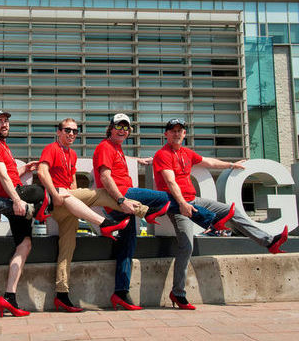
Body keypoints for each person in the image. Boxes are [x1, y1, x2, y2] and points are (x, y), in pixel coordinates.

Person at [36, 118, 171, 312]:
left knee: (67, 249)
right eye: (67, 130)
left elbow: (72, 180)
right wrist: (55, 194)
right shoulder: (52, 148)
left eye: (75, 131)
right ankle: (144, 212)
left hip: (70, 203)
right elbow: (42, 171)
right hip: (58, 199)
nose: (71, 134)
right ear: (58, 132)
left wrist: (76, 202)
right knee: (103, 192)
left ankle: (62, 295)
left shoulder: (72, 154)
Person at [153, 118, 289, 310]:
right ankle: (178, 292)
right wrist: (182, 204)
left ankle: (268, 241)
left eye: (180, 130)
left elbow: (208, 162)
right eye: (172, 130)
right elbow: (170, 182)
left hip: (194, 200)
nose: (176, 133)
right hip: (177, 204)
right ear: (166, 134)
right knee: (187, 247)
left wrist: (231, 165)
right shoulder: (162, 154)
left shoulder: (186, 153)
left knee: (229, 211)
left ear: (184, 134)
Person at [92, 113, 223, 311]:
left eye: (126, 128)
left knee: (127, 248)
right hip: (121, 195)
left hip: (125, 202)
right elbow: (104, 175)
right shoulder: (104, 146)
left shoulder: (115, 148)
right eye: (119, 126)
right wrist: (121, 199)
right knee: (166, 197)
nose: (123, 131)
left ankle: (121, 293)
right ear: (110, 128)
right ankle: (209, 219)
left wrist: (137, 160)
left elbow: (115, 159)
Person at [0, 109, 48, 317]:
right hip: (13, 197)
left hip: (14, 195)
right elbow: (2, 177)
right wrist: (18, 200)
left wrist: (24, 170)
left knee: (25, 245)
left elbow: (9, 174)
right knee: (46, 193)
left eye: (6, 121)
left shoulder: (3, 146)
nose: (4, 125)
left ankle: (9, 296)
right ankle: (35, 211)